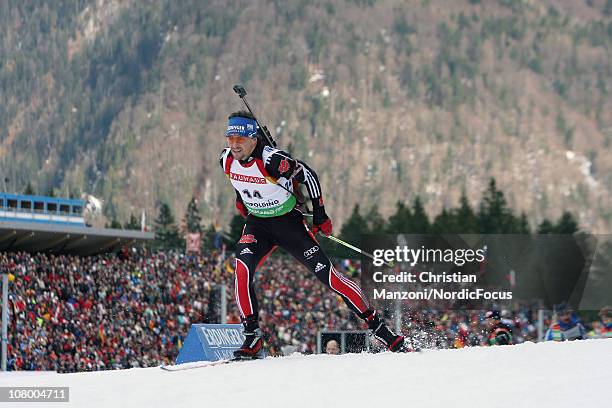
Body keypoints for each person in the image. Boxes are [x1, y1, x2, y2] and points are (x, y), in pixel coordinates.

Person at [219, 111, 406, 359]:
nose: (234, 144)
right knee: (241, 271)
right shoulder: (225, 160)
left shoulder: (272, 160)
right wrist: (240, 200)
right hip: (258, 226)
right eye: (231, 138)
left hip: (289, 224)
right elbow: (241, 182)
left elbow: (308, 175)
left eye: (240, 139)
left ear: (253, 138)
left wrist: (320, 214)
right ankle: (252, 336)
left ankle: (379, 329)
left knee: (330, 278)